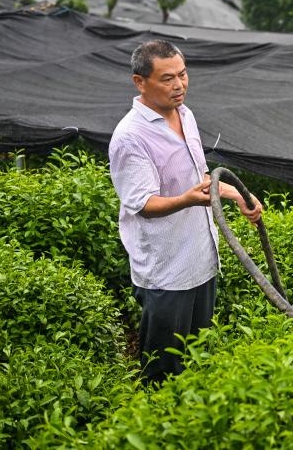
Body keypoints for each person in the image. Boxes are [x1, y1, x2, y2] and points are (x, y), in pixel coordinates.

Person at [109, 39, 262, 384]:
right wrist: (187, 199)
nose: (179, 85)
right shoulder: (130, 137)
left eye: (182, 74)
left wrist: (238, 195)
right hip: (167, 272)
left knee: (196, 359)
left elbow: (199, 179)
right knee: (163, 370)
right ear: (140, 82)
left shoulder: (185, 115)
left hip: (201, 261)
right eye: (167, 78)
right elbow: (143, 205)